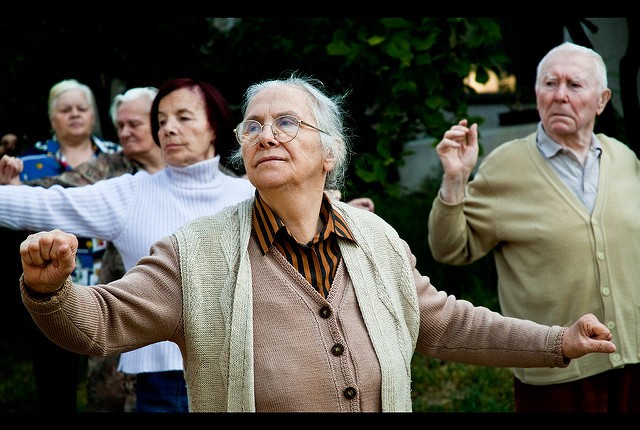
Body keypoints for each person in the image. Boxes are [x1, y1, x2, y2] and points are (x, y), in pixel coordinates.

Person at [16, 74, 616, 413]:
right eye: (253, 126)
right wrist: (49, 290)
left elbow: (444, 324)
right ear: (242, 155)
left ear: (330, 153)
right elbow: (100, 324)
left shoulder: (375, 239)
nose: (265, 134)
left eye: (286, 123)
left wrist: (556, 341)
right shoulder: (195, 253)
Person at [0, 77, 255, 413]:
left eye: (183, 117)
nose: (168, 129)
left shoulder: (247, 195)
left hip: (239, 369)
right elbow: (45, 203)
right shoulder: (131, 193)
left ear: (214, 127)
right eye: (161, 121)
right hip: (160, 379)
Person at [427, 41, 640, 412]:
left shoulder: (624, 158)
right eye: (549, 84)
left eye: (574, 85)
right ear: (537, 93)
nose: (559, 96)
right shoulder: (505, 167)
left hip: (634, 358)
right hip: (556, 368)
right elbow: (450, 249)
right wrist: (454, 181)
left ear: (602, 100)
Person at [0, 78, 121, 413]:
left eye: (82, 108)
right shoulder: (29, 160)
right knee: (54, 376)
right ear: (52, 118)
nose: (74, 115)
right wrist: (10, 188)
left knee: (111, 372)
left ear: (94, 116)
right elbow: (17, 223)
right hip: (53, 282)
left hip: (109, 276)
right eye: (65, 110)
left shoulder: (116, 156)